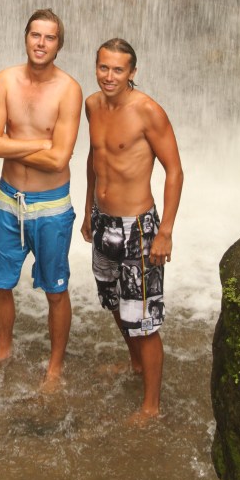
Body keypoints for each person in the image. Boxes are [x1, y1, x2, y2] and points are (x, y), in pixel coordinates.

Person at [0, 9, 82, 390]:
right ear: (25, 37)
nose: (40, 43)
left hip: (51, 205)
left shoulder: (69, 89)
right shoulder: (5, 81)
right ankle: (3, 351)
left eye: (49, 37)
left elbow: (59, 159)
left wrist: (12, 146)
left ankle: (54, 367)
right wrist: (41, 144)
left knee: (56, 289)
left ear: (59, 45)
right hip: (6, 201)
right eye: (35, 35)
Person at [81, 37, 183, 422]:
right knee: (115, 305)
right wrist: (90, 205)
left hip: (139, 226)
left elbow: (175, 170)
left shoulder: (148, 111)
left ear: (132, 73)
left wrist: (166, 232)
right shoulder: (91, 105)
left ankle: (151, 404)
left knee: (143, 319)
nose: (109, 76)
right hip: (104, 220)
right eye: (103, 67)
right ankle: (135, 365)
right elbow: (95, 155)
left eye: (118, 70)